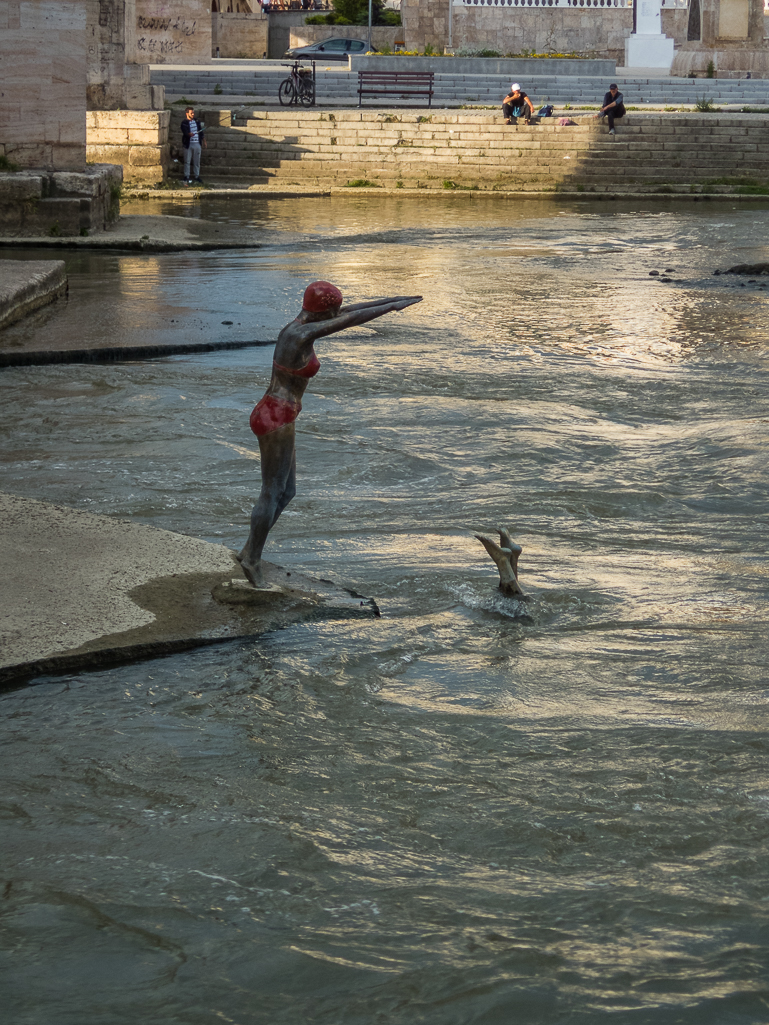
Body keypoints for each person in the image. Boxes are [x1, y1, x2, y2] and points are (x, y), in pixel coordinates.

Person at [238, 281, 423, 587]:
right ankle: (253, 559)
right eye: (334, 309)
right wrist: (390, 308)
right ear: (325, 311)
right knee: (271, 492)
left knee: (287, 492)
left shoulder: (304, 324)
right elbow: (348, 320)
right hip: (275, 416)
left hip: (280, 413)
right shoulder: (298, 334)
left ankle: (249, 550)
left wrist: (394, 298)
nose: (338, 312)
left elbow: (349, 311)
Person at [181, 106, 206, 185]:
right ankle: (186, 176)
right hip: (188, 144)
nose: (193, 114)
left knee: (197, 161)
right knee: (187, 161)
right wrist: (189, 134)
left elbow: (201, 132)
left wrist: (204, 141)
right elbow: (185, 132)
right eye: (191, 113)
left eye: (193, 113)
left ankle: (196, 176)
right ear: (187, 114)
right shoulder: (184, 123)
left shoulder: (197, 121)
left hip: (197, 144)